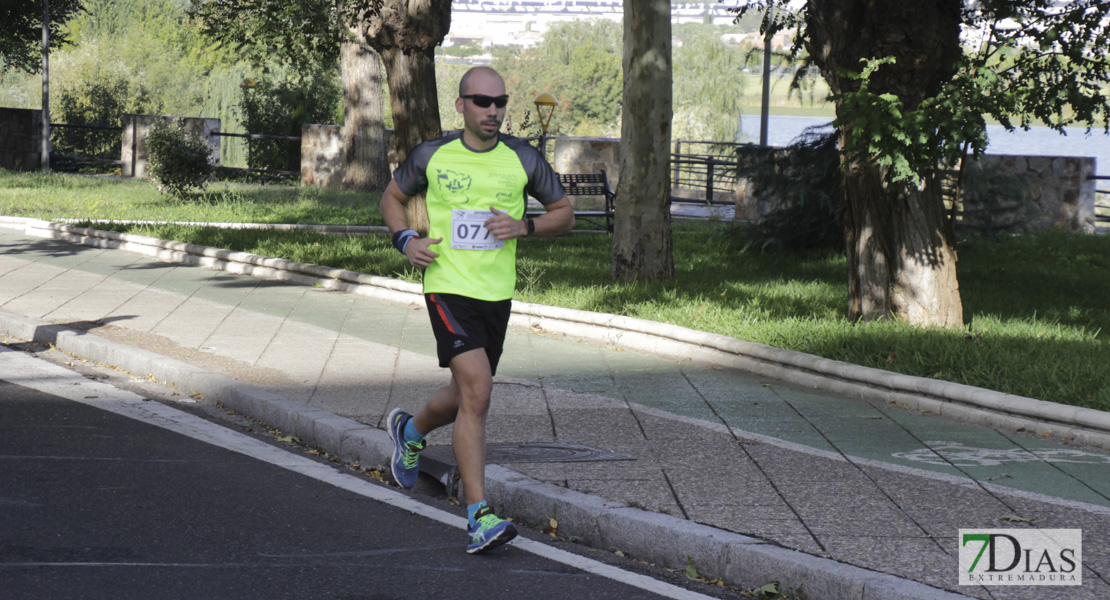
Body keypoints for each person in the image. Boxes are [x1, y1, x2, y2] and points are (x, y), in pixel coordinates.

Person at [379, 66, 574, 554]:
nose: (493, 111)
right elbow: (392, 198)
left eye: (500, 102)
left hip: (495, 295)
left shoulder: (522, 158)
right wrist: (407, 240)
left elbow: (564, 214)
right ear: (461, 105)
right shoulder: (432, 154)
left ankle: (410, 429)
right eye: (482, 102)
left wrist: (525, 228)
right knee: (480, 392)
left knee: (464, 395)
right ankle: (479, 516)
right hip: (446, 287)